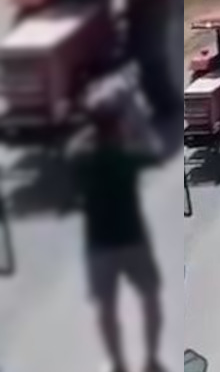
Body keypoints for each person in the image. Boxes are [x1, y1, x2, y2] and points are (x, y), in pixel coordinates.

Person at [71, 86, 166, 372]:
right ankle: (151, 360)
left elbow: (76, 148)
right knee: (149, 295)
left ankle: (116, 363)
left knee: (106, 306)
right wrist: (136, 120)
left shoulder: (82, 156)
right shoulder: (129, 156)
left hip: (98, 242)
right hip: (132, 238)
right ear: (118, 124)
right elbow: (154, 151)